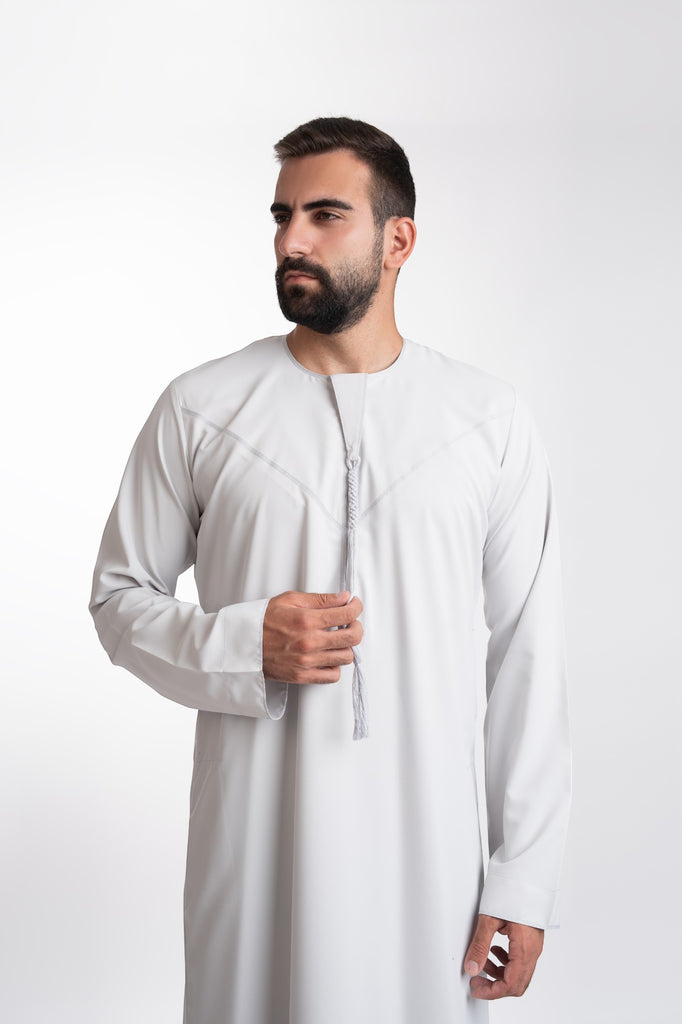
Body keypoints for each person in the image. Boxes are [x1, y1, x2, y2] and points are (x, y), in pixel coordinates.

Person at [90, 116, 571, 1024]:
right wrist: (243, 644)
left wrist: (524, 877)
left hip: (432, 874)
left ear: (399, 241)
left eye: (324, 215)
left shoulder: (488, 420)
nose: (291, 241)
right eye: (282, 216)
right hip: (256, 862)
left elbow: (527, 656)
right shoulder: (202, 407)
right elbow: (118, 601)